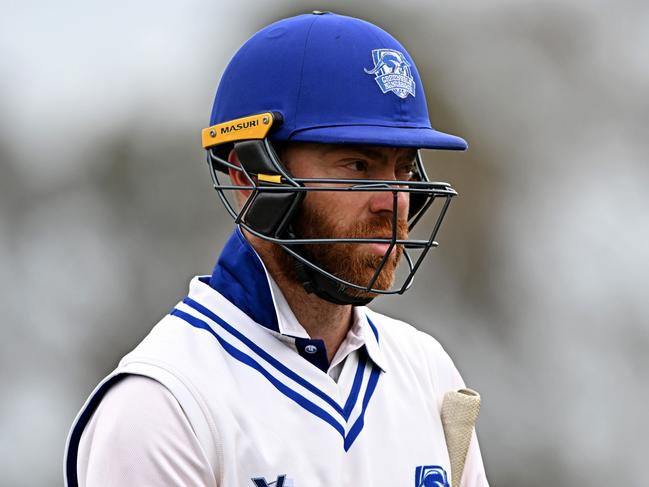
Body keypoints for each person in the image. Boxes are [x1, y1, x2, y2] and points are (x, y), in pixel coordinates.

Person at [64, 11, 489, 487]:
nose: (391, 201)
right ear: (249, 176)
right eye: (356, 164)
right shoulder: (164, 402)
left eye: (404, 169)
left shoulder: (429, 372)